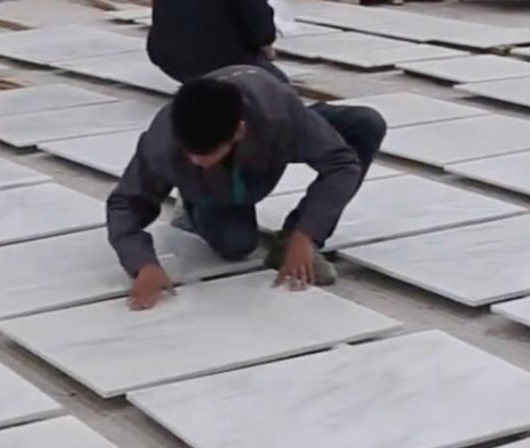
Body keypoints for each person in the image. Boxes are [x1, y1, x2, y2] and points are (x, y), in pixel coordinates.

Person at [107, 65, 387, 311]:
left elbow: (340, 163)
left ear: (239, 132)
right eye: (191, 154)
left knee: (366, 124)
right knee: (236, 244)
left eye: (207, 154)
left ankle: (287, 241)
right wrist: (142, 264)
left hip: (267, 136)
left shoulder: (278, 114)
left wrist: (306, 234)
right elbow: (125, 203)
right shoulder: (164, 141)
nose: (197, 160)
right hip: (212, 185)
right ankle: (192, 203)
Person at [147, 0, 289, 84]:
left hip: (167, 57)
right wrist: (265, 43)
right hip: (218, 62)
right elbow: (259, 22)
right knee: (280, 89)